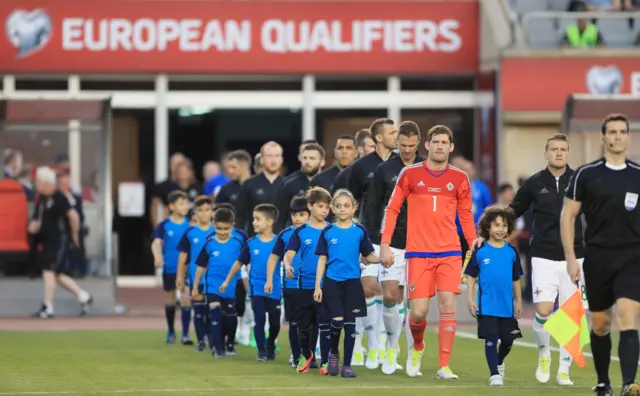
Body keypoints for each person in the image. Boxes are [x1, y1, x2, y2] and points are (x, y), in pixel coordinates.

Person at [472, 133, 584, 385]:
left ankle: (563, 369)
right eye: (553, 149)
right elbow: (510, 212)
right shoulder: (534, 183)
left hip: (575, 256)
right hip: (543, 256)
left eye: (562, 149)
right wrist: (485, 234)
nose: (558, 153)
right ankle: (544, 354)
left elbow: (597, 213)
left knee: (570, 315)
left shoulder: (579, 181)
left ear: (568, 153)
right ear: (545, 153)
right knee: (544, 310)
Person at [379, 125, 476, 379]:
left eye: (445, 142)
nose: (440, 146)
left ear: (451, 147)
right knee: (418, 313)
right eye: (436, 142)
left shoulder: (460, 178)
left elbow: (466, 215)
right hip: (418, 253)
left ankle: (444, 366)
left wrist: (474, 242)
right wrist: (386, 244)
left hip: (449, 252)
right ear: (428, 146)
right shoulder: (409, 174)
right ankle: (417, 346)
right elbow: (392, 209)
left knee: (447, 306)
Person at [561, 114, 640, 396]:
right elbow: (567, 216)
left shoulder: (638, 174)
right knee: (601, 323)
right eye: (613, 132)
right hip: (597, 257)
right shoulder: (586, 174)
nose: (618, 136)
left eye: (623, 131)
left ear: (628, 136)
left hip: (633, 256)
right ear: (603, 137)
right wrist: (571, 257)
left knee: (629, 316)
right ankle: (603, 382)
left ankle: (629, 383)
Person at [365, 120, 424, 374]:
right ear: (397, 142)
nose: (407, 150)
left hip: (422, 244)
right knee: (390, 295)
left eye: (412, 145)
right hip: (392, 242)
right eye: (403, 145)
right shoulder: (384, 169)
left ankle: (413, 352)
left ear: (419, 143)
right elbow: (373, 206)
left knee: (416, 304)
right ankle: (391, 346)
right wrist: (370, 243)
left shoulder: (427, 168)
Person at [348, 118, 398, 369]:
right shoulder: (360, 167)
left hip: (397, 238)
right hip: (368, 236)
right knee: (368, 288)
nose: (396, 135)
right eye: (392, 132)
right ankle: (367, 345)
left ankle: (389, 349)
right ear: (379, 138)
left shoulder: (403, 165)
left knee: (393, 294)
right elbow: (350, 201)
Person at [314, 189, 379, 378]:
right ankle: (333, 353)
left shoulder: (359, 231)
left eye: (346, 206)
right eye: (338, 206)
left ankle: (347, 366)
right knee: (337, 321)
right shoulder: (327, 231)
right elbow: (321, 261)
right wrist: (318, 286)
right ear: (333, 208)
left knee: (351, 325)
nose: (342, 209)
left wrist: (382, 259)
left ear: (353, 208)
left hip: (352, 283)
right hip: (332, 283)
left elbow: (369, 255)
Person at [465, 205, 523, 387]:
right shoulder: (480, 250)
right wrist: (470, 299)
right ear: (488, 227)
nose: (501, 229)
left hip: (507, 306)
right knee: (491, 337)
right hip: (487, 305)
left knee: (507, 340)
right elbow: (471, 277)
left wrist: (519, 302)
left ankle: (499, 361)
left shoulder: (512, 251)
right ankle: (494, 374)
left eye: (504, 225)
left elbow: (516, 279)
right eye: (496, 225)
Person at [29, 167, 93, 318]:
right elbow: (39, 218)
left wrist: (75, 236)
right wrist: (35, 226)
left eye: (39, 182)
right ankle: (84, 296)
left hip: (58, 241)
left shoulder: (58, 197)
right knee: (57, 275)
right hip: (46, 241)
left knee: (48, 272)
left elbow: (73, 216)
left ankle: (48, 306)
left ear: (46, 183)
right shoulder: (42, 199)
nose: (37, 185)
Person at [221, 204, 281, 361]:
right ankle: (261, 352)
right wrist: (227, 280)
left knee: (275, 323)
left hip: (274, 288)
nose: (254, 222)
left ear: (270, 222)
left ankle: (270, 344)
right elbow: (238, 263)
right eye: (253, 219)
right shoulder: (251, 243)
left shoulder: (279, 242)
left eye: (257, 219)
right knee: (259, 319)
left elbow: (289, 259)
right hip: (256, 289)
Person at [283, 187, 331, 374]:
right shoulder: (301, 231)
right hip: (304, 285)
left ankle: (326, 361)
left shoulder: (331, 229)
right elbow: (289, 254)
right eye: (320, 206)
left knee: (325, 324)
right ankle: (306, 354)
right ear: (310, 206)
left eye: (327, 207)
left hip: (327, 285)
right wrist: (288, 266)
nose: (325, 210)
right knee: (304, 325)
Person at [192, 207, 247, 358]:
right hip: (213, 283)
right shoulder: (209, 241)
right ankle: (218, 348)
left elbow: (248, 259)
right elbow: (201, 265)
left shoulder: (240, 239)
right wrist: (195, 286)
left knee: (230, 317)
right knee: (215, 312)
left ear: (233, 225)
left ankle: (229, 342)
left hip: (232, 284)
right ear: (213, 224)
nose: (222, 232)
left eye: (226, 229)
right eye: (219, 228)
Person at [266, 196, 310, 368]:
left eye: (301, 214)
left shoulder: (320, 232)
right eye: (294, 214)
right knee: (294, 321)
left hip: (312, 285)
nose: (297, 218)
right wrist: (270, 279)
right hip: (291, 286)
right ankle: (296, 354)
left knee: (312, 322)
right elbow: (273, 258)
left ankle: (311, 353)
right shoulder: (285, 235)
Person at [151, 190, 192, 344]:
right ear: (172, 206)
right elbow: (156, 243)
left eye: (186, 203)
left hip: (187, 269)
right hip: (170, 268)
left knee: (186, 298)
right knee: (170, 301)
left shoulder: (191, 225)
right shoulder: (164, 225)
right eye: (181, 203)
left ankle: (186, 334)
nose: (185, 206)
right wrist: (157, 257)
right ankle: (171, 331)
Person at [176, 196, 214, 351]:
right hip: (196, 277)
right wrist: (180, 277)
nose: (204, 214)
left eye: (207, 210)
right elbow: (183, 257)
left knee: (212, 311)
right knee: (198, 310)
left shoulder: (217, 231)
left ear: (212, 212)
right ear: (195, 213)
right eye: (201, 210)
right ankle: (201, 341)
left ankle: (211, 338)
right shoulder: (190, 233)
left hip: (214, 278)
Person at [236, 141, 284, 235]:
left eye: (277, 156)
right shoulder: (249, 184)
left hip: (282, 242)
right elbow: (240, 216)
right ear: (261, 159)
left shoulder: (288, 185)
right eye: (269, 156)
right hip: (253, 240)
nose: (273, 160)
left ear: (281, 159)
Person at [276, 143, 325, 229]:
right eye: (304, 158)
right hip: (295, 235)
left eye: (312, 158)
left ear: (322, 162)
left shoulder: (330, 183)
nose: (307, 161)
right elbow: (281, 218)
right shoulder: (289, 185)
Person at [332, 129, 375, 193]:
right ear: (360, 149)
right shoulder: (345, 176)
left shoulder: (385, 169)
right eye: (373, 147)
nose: (378, 150)